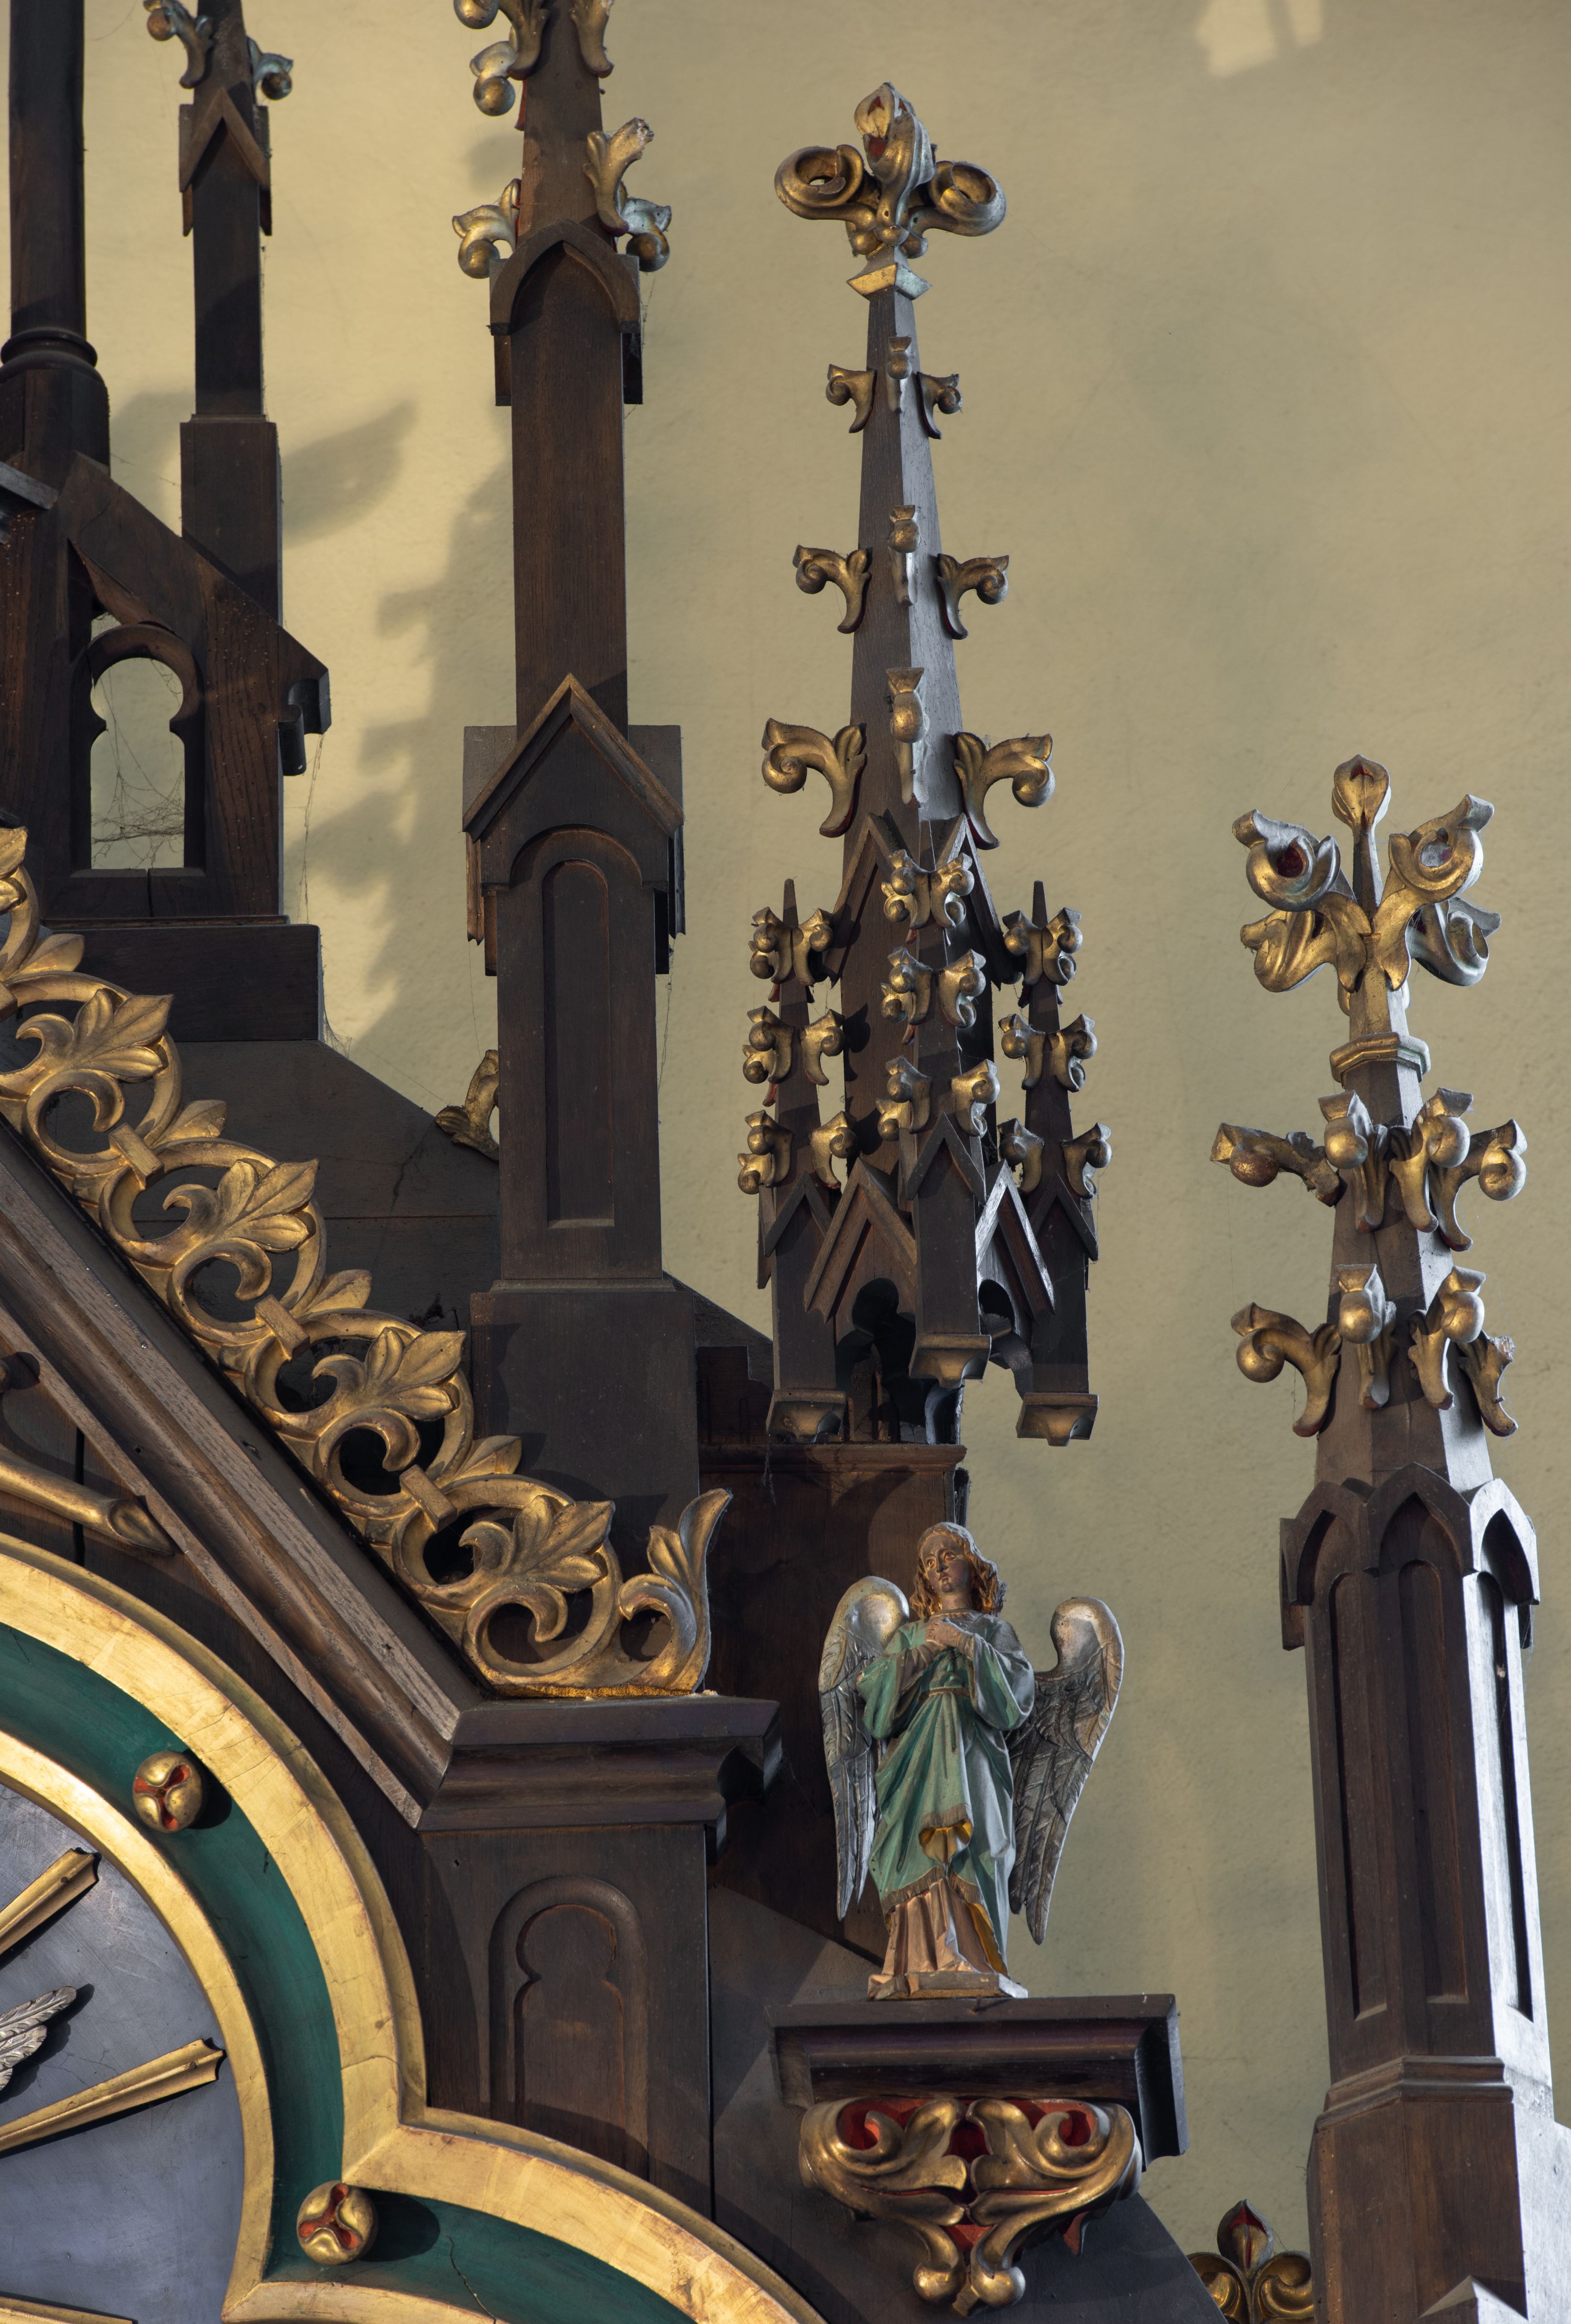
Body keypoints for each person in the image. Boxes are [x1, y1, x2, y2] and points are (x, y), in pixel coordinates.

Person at [857, 1520, 1035, 1998]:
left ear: (971, 1564)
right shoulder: (911, 1635)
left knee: (976, 1847)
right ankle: (919, 1958)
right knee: (917, 1847)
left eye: (949, 1555)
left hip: (973, 1754)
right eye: (929, 1562)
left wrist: (965, 1643)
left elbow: (1018, 1691)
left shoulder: (994, 1630)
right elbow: (876, 1698)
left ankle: (973, 1958)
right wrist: (927, 1649)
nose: (939, 1566)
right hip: (918, 1758)